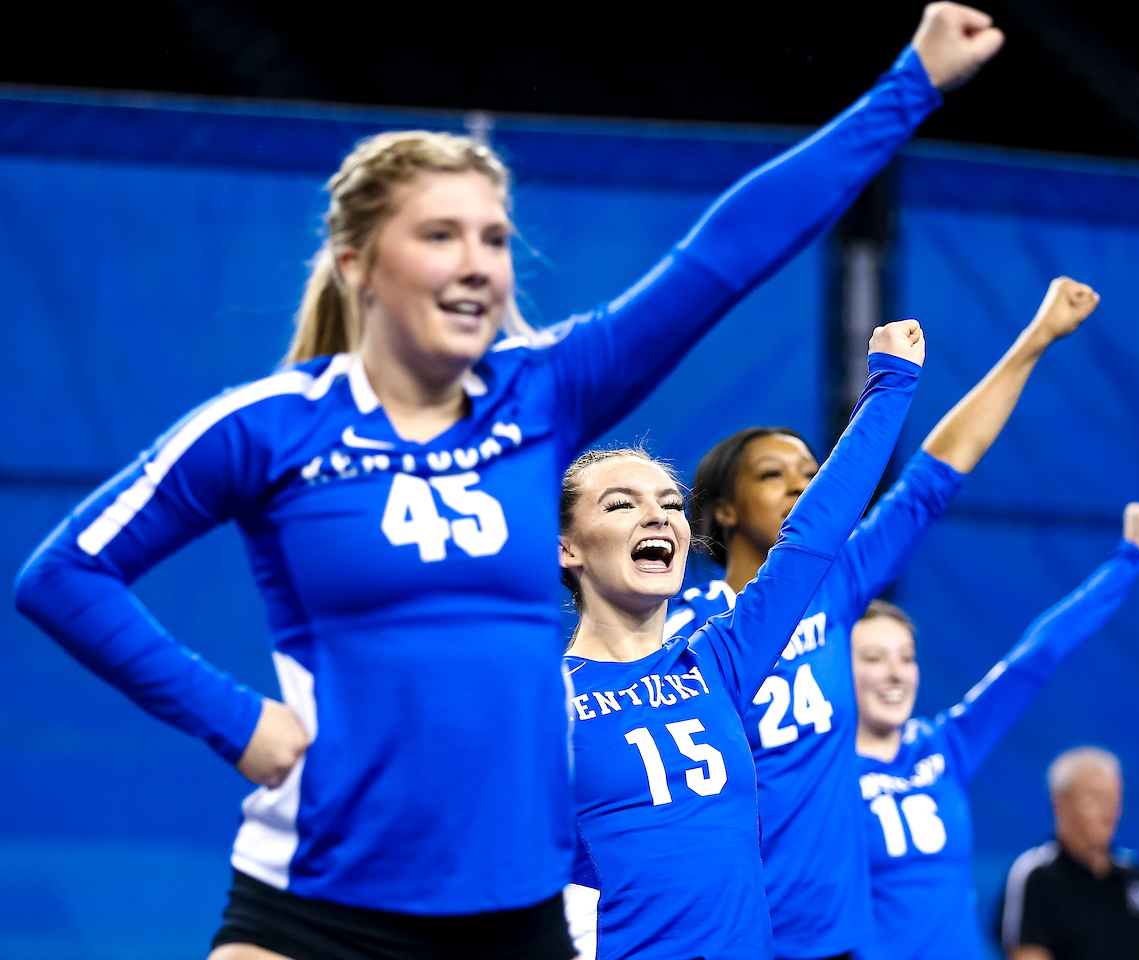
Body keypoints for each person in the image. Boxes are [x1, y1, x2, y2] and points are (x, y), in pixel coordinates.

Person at [13, 5, 999, 958]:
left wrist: (909, 86)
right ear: (358, 263)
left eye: (493, 237)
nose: (478, 261)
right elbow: (63, 577)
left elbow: (724, 256)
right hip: (318, 882)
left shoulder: (542, 394)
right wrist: (239, 721)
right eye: (439, 234)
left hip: (506, 900)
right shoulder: (269, 427)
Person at [665, 276, 1097, 960]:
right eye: (774, 475)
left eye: (812, 472)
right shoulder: (687, 631)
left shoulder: (833, 589)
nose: (802, 485)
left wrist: (1035, 340)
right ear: (722, 509)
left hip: (840, 939)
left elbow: (933, 479)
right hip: (735, 932)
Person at [561, 321, 923, 960]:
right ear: (566, 547)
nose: (657, 516)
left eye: (671, 504)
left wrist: (891, 385)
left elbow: (812, 534)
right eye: (621, 504)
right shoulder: (540, 701)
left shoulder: (716, 662)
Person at [852, 501, 1139, 960]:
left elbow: (1036, 656)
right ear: (839, 673)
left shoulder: (944, 747)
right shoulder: (821, 767)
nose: (895, 673)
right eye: (874, 658)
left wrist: (1130, 558)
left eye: (906, 657)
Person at [1000, 748, 1139, 960]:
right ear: (1061, 803)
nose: (1110, 811)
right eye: (1097, 798)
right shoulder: (1036, 876)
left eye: (1115, 797)